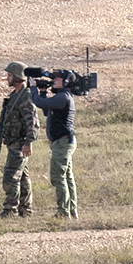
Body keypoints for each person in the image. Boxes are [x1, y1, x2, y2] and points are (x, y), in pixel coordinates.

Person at [30, 73, 78, 218]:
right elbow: (46, 110)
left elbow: (39, 103)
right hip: (63, 142)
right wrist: (43, 92)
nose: (54, 80)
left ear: (66, 81)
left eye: (58, 78)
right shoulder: (62, 97)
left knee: (58, 177)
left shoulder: (63, 97)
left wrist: (34, 89)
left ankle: (63, 212)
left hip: (62, 143)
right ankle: (71, 210)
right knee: (67, 177)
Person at [0, 61, 38, 217]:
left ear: (18, 77)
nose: (7, 78)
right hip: (13, 142)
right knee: (23, 178)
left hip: (20, 144)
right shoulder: (15, 96)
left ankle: (10, 210)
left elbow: (32, 122)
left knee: (11, 176)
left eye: (10, 75)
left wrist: (29, 142)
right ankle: (25, 210)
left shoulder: (25, 96)